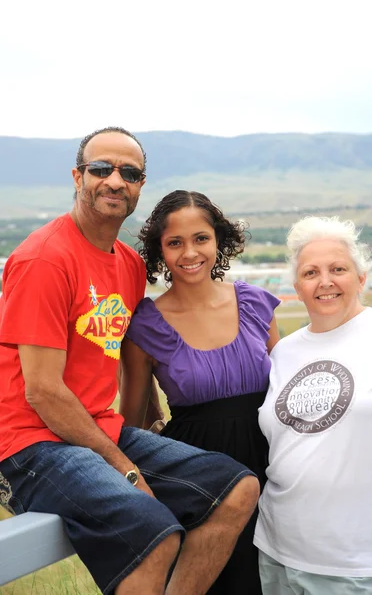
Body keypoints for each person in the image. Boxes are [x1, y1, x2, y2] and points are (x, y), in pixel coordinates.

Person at [0, 128, 260, 595]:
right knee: (150, 531)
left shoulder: (128, 264)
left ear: (141, 185)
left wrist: (149, 422)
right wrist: (126, 469)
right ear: (78, 176)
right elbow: (42, 391)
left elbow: (114, 353)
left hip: (98, 428)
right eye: (101, 169)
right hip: (30, 440)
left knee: (237, 489)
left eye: (130, 172)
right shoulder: (45, 259)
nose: (115, 181)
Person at [120, 190, 280, 594]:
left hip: (274, 466)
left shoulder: (258, 304)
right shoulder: (145, 324)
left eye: (201, 238)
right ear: (160, 250)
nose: (190, 252)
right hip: (199, 478)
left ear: (219, 240)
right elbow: (130, 418)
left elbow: (290, 394)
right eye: (175, 242)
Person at [254, 216, 372, 595]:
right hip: (279, 551)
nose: (325, 281)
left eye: (338, 269)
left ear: (361, 277)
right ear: (298, 287)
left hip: (366, 562)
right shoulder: (284, 351)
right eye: (310, 272)